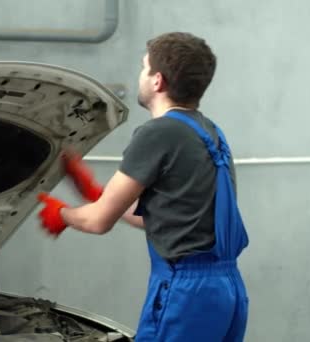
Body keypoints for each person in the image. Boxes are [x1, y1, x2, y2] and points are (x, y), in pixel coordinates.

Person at [36, 32, 249, 341]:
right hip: (227, 291)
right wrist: (98, 194)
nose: (140, 75)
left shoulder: (158, 132)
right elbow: (176, 220)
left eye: (143, 67)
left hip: (185, 291)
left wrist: (64, 214)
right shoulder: (210, 133)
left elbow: (98, 223)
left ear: (157, 81)